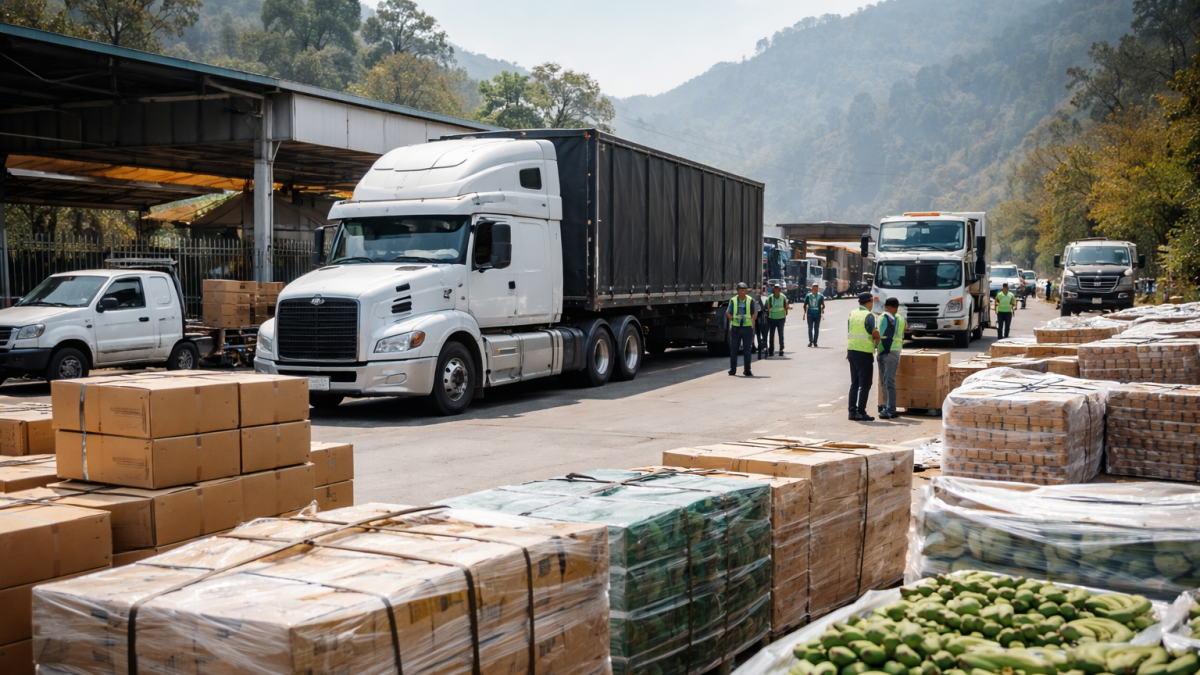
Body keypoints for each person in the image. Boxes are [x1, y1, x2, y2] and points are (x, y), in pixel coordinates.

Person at [847, 291, 880, 421]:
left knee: (854, 383)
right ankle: (861, 412)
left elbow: (849, 331)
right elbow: (875, 333)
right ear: (870, 301)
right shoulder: (869, 316)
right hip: (864, 352)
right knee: (865, 384)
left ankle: (852, 412)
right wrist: (879, 346)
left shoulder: (852, 314)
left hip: (852, 351)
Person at [876, 297, 905, 420]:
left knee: (886, 381)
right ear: (893, 306)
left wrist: (879, 350)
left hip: (886, 351)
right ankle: (886, 408)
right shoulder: (900, 319)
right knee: (888, 381)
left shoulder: (883, 317)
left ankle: (889, 409)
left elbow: (880, 335)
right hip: (894, 351)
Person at [727, 282, 757, 376]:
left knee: (747, 350)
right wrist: (732, 321)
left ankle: (747, 370)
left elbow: (754, 313)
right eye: (742, 290)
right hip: (736, 328)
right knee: (734, 350)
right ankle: (733, 369)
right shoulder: (733, 300)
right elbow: (728, 312)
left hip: (747, 328)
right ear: (738, 291)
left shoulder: (750, 300)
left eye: (745, 290)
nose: (744, 291)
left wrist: (752, 321)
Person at [765, 283, 789, 356]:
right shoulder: (770, 297)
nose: (776, 289)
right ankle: (771, 350)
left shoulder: (783, 297)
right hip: (772, 318)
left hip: (780, 318)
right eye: (775, 288)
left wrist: (785, 313)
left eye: (777, 288)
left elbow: (786, 306)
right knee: (772, 334)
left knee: (780, 334)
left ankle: (781, 349)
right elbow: (769, 307)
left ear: (779, 289)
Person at [754, 287, 769, 359]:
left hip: (757, 320)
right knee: (765, 336)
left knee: (758, 337)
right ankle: (765, 351)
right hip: (765, 320)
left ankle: (760, 353)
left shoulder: (753, 299)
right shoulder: (766, 298)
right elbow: (768, 308)